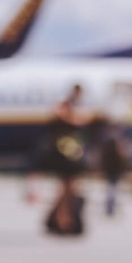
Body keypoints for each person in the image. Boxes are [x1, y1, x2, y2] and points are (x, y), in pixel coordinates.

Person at [43, 83, 90, 235]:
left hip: (72, 154)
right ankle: (62, 221)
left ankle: (61, 220)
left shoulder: (73, 107)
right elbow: (62, 117)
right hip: (64, 156)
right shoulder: (65, 106)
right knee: (66, 190)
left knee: (69, 190)